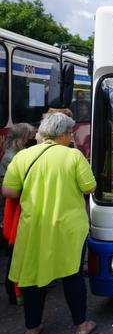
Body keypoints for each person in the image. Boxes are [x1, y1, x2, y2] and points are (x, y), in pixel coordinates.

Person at [1, 113, 97, 334]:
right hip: (69, 229)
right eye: (70, 133)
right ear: (62, 134)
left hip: (33, 226)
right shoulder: (73, 156)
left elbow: (9, 191)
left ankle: (31, 328)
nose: (72, 136)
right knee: (72, 275)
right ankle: (81, 325)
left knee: (33, 277)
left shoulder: (23, 157)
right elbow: (89, 188)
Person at [1, 123, 37, 305]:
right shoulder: (11, 158)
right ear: (20, 139)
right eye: (29, 136)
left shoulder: (16, 155)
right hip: (12, 213)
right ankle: (13, 292)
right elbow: (9, 189)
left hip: (16, 211)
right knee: (15, 255)